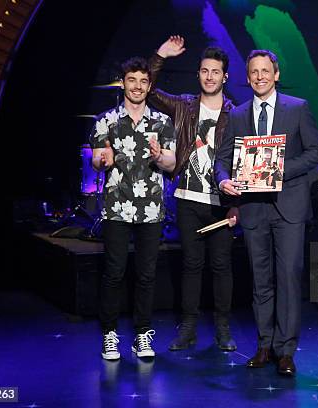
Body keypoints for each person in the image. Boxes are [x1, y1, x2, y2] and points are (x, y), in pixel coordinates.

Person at [215, 50, 318, 376]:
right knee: (260, 281)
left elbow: (316, 151)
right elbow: (222, 158)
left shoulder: (298, 108)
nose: (260, 76)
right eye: (254, 72)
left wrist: (278, 171)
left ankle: (286, 350)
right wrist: (223, 180)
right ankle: (264, 345)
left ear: (275, 74)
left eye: (266, 71)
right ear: (247, 78)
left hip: (288, 207)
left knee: (288, 279)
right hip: (252, 210)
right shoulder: (238, 114)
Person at [148, 36, 239, 351]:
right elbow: (147, 89)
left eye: (216, 71)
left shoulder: (236, 114)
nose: (210, 76)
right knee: (190, 265)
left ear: (225, 76)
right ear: (198, 74)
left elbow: (243, 163)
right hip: (188, 199)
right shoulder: (185, 105)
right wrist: (161, 55)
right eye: (204, 71)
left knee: (222, 266)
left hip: (222, 204)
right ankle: (188, 328)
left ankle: (223, 329)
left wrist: (237, 206)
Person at [90, 56, 176, 360]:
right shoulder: (106, 121)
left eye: (143, 81)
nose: (137, 86)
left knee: (146, 274)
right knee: (114, 272)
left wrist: (158, 156)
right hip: (116, 207)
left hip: (151, 208)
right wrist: (102, 160)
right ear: (123, 82)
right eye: (132, 80)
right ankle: (110, 334)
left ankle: (142, 334)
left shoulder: (163, 122)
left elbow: (171, 163)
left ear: (149, 85)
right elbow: (99, 160)